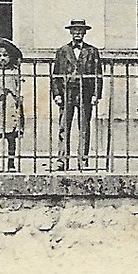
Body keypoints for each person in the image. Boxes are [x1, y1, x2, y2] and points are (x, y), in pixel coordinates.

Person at [52, 20, 103, 171]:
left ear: (85, 32)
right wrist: (57, 94)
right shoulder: (62, 51)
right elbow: (56, 74)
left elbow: (98, 74)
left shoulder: (92, 51)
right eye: (75, 30)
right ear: (70, 32)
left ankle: (83, 160)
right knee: (64, 127)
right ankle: (62, 160)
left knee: (84, 127)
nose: (78, 33)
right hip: (67, 92)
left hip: (85, 92)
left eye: (81, 30)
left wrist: (96, 94)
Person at [0, 37, 25, 172]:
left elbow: (19, 89)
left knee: (11, 135)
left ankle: (11, 162)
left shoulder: (14, 71)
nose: (2, 58)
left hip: (11, 106)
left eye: (5, 55)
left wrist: (19, 103)